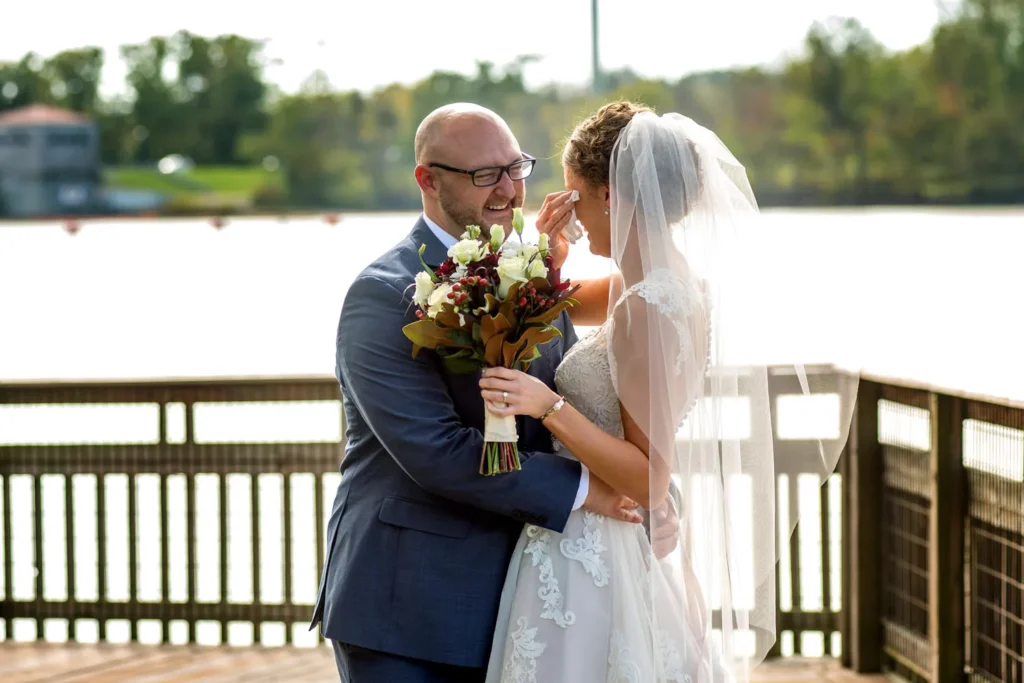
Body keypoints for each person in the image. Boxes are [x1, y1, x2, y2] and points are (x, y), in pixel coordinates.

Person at [480, 101, 857, 682]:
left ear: (609, 194)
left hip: (602, 545)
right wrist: (548, 254)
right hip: (597, 535)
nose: (568, 207)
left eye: (574, 192)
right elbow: (551, 302)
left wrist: (548, 407)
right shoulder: (648, 284)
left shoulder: (648, 307)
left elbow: (652, 475)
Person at [309, 102, 650, 683]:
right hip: (410, 607)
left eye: (516, 167)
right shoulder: (382, 294)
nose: (511, 190)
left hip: (529, 600)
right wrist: (592, 491)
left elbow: (561, 400)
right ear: (427, 179)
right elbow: (436, 452)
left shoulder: (532, 272)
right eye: (485, 174)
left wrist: (642, 488)